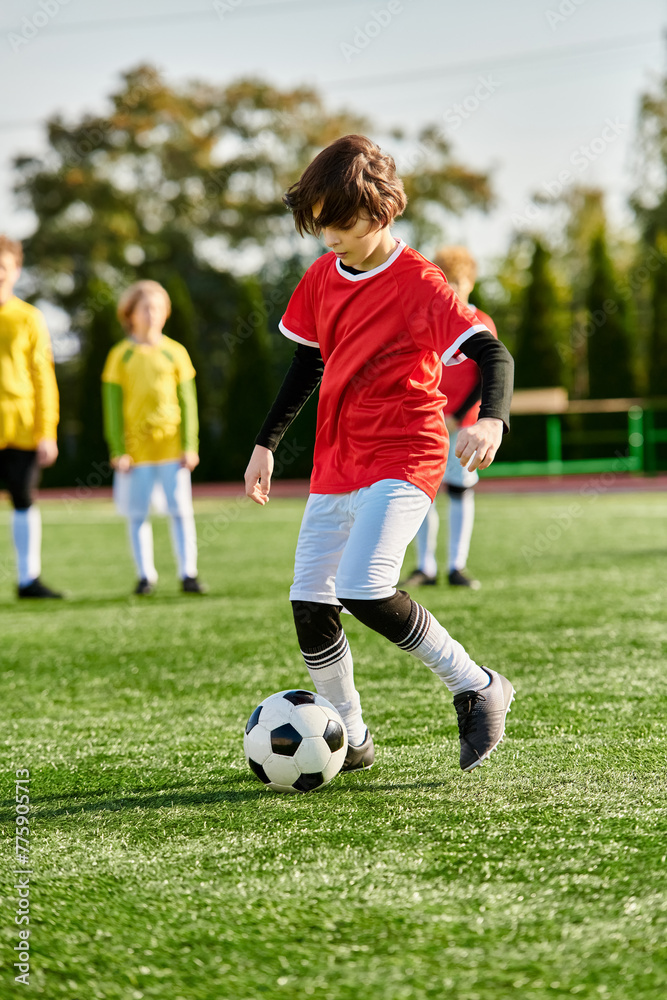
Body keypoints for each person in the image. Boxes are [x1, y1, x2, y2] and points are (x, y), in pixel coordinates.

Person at [244, 135, 515, 773]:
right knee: (311, 604)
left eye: (340, 223)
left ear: (380, 212)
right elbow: (307, 362)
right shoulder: (320, 278)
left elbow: (491, 355)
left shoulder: (420, 283)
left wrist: (492, 421)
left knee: (366, 588)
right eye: (320, 224)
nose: (328, 236)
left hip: (406, 451)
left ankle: (477, 686)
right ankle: (353, 736)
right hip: (338, 461)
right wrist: (266, 443)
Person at [402, 246, 498, 590]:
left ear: (471, 282)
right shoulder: (427, 320)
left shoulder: (481, 322)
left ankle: (457, 565)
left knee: (459, 491)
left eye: (459, 281)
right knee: (421, 494)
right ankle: (424, 566)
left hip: (464, 426)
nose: (453, 288)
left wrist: (457, 415)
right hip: (427, 424)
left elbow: (488, 375)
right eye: (447, 280)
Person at [102, 279, 206, 596]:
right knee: (138, 514)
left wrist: (190, 445)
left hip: (172, 448)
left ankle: (188, 573)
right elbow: (111, 407)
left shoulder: (176, 353)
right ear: (130, 313)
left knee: (180, 511)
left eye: (159, 307)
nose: (153, 314)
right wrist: (118, 448)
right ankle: (145, 575)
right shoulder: (120, 356)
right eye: (145, 307)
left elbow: (188, 403)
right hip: (137, 452)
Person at [0, 234, 62, 599]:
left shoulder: (29, 318)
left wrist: (47, 432)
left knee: (24, 499)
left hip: (22, 429)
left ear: (16, 270)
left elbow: (43, 378)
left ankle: (28, 579)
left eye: (3, 267)